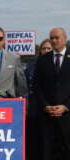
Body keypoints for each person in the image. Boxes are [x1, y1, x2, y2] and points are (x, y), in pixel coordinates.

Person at [33, 27, 70, 160]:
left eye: (57, 37)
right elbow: (36, 86)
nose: (54, 41)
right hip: (47, 116)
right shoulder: (43, 60)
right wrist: (45, 105)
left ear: (65, 38)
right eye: (51, 38)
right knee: (47, 152)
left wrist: (66, 106)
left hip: (67, 116)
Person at [25, 39, 53, 160]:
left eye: (49, 48)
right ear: (40, 51)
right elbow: (24, 86)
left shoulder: (58, 66)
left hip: (51, 111)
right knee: (33, 143)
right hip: (33, 111)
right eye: (44, 48)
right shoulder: (31, 66)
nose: (46, 50)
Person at [0, 27, 27, 98]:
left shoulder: (14, 58)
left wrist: (23, 103)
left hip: (6, 101)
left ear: (4, 40)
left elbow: (21, 85)